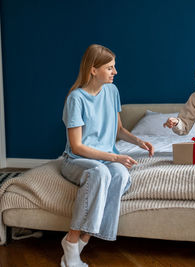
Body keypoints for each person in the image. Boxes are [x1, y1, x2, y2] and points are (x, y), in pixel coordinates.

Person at [60, 44, 154, 267]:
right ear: (93, 70)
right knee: (101, 172)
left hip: (104, 157)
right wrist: (115, 157)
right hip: (76, 160)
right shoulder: (76, 99)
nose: (115, 72)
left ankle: (84, 239)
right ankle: (71, 239)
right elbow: (77, 147)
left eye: (114, 67)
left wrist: (138, 141)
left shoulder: (112, 91)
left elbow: (119, 129)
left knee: (120, 175)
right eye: (110, 68)